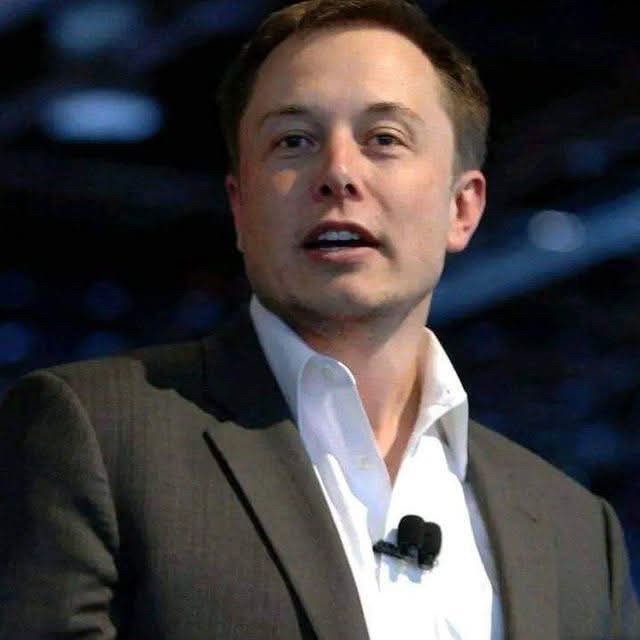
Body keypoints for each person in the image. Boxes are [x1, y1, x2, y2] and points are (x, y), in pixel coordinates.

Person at [1, 0, 638, 638]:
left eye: (384, 139)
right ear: (241, 208)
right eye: (293, 142)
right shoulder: (96, 433)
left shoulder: (578, 532)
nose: (337, 173)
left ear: (462, 208)